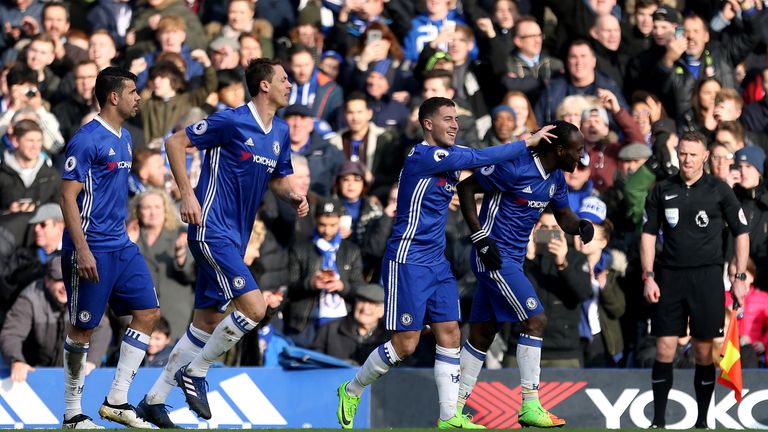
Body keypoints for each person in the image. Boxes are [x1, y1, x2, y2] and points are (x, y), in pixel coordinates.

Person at [336, 96, 558, 429]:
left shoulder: (447, 159)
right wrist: (527, 143)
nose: (455, 125)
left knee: (451, 333)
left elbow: (476, 171)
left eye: (457, 119)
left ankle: (449, 416)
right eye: (448, 119)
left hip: (437, 261)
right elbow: (479, 156)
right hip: (407, 260)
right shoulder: (426, 155)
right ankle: (351, 389)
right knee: (405, 344)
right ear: (428, 124)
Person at [136, 58, 308, 428]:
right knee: (255, 307)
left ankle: (154, 400)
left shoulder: (279, 131)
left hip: (236, 236)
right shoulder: (231, 120)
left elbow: (278, 178)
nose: (289, 84)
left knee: (206, 324)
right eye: (283, 78)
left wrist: (292, 196)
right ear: (264, 85)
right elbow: (175, 142)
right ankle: (196, 373)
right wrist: (186, 194)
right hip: (210, 228)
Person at [453, 120, 593, 427]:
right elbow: (466, 187)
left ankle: (453, 409)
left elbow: (564, 215)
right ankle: (530, 404)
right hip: (495, 257)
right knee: (536, 319)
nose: (581, 157)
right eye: (577, 150)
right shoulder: (514, 167)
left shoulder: (555, 176)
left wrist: (580, 225)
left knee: (482, 333)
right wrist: (479, 238)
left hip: (512, 259)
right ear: (558, 150)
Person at [59, 66, 159, 428]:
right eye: (133, 91)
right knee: (83, 329)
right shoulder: (86, 139)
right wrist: (82, 250)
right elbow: (67, 197)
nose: (138, 97)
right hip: (91, 248)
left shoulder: (127, 137)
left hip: (121, 243)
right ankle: (72, 411)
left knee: (148, 312)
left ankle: (117, 399)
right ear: (114, 96)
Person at [641, 131, 750, 429]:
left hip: (707, 278)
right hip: (669, 277)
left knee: (703, 351)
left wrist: (739, 276)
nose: (687, 159)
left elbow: (741, 233)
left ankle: (702, 422)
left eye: (693, 154)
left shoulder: (719, 190)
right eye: (682, 153)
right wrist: (649, 276)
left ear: (705, 156)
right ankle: (658, 421)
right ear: (677, 153)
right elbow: (648, 234)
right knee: (665, 347)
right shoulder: (662, 189)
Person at [0, 256, 112, 383]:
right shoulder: (30, 299)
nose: (65, 286)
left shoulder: (85, 297)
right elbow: (11, 334)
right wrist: (17, 360)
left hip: (72, 373)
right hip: (34, 372)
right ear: (47, 281)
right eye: (59, 280)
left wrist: (91, 361)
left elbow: (101, 328)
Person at [312, 282, 388, 365]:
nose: (365, 308)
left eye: (372, 304)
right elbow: (314, 362)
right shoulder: (330, 329)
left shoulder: (389, 338)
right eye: (362, 301)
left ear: (382, 311)